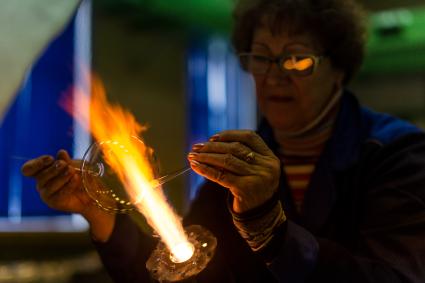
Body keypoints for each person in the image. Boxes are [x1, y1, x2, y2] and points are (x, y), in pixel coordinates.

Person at [21, 0, 425, 282]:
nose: (273, 75)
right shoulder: (235, 167)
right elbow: (186, 270)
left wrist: (268, 225)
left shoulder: (398, 155)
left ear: (340, 69)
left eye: (297, 59)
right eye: (261, 58)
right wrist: (98, 212)